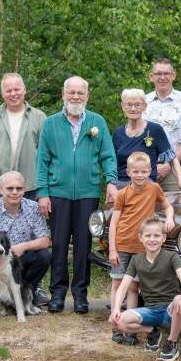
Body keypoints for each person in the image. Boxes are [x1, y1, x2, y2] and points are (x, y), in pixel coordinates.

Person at [36, 76, 118, 314]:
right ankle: (58, 294)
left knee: (84, 245)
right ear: (63, 95)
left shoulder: (97, 122)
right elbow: (42, 160)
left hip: (87, 192)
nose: (75, 97)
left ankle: (81, 295)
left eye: (80, 93)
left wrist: (111, 181)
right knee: (59, 244)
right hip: (58, 192)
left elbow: (108, 156)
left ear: (87, 96)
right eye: (71, 93)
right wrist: (43, 192)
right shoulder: (50, 124)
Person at [108, 152, 176, 345]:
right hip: (122, 244)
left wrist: (169, 218)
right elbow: (114, 224)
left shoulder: (154, 189)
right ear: (128, 172)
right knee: (117, 283)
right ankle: (116, 325)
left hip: (141, 247)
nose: (140, 175)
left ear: (150, 172)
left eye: (144, 171)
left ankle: (131, 331)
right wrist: (113, 249)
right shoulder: (122, 194)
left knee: (133, 287)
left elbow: (167, 207)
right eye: (135, 172)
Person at [109, 215, 181, 361]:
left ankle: (172, 343)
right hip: (150, 311)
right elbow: (123, 287)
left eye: (156, 236)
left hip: (170, 310)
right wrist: (116, 309)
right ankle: (152, 332)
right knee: (118, 322)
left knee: (179, 299)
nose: (152, 239)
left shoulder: (172, 257)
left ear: (163, 238)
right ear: (140, 238)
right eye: (148, 236)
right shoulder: (136, 260)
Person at [0, 171, 52, 308]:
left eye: (19, 188)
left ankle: (29, 291)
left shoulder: (33, 209)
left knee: (44, 256)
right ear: (1, 190)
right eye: (10, 188)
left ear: (24, 190)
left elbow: (45, 241)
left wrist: (22, 247)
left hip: (20, 260)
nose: (14, 192)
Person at [111, 88, 181, 190]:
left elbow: (172, 159)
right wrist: (111, 186)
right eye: (129, 104)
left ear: (144, 106)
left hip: (146, 186)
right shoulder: (118, 133)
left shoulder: (154, 130)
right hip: (121, 187)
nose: (133, 108)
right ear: (123, 106)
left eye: (137, 105)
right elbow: (111, 163)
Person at [0, 73, 46, 200]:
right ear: (2, 94)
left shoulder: (39, 117)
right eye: (8, 91)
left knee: (31, 221)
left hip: (31, 188)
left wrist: (43, 188)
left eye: (17, 89)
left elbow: (46, 155)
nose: (13, 94)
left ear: (24, 90)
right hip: (1, 187)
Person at [144, 59, 181, 191]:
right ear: (151, 77)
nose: (162, 77)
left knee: (178, 210)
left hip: (176, 171)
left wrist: (168, 166)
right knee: (146, 211)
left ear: (173, 75)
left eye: (166, 73)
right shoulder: (143, 101)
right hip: (145, 171)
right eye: (158, 74)